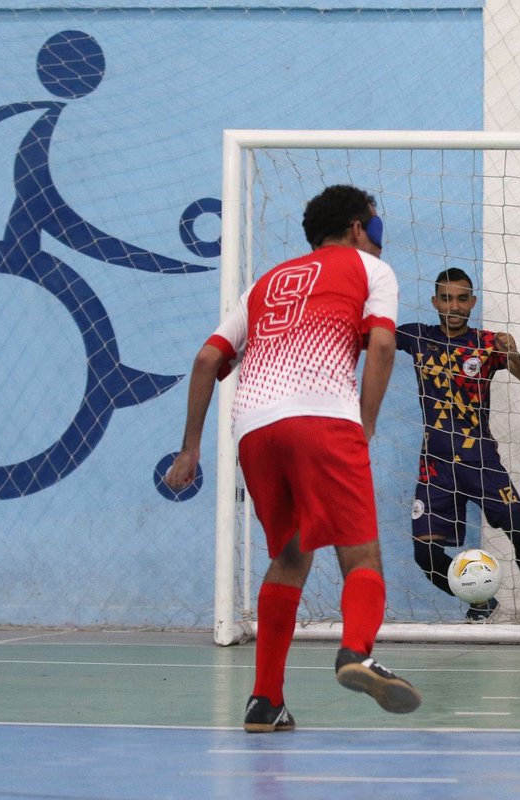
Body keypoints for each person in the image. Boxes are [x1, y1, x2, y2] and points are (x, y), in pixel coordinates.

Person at [164, 184, 421, 732]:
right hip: (323, 418)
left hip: (254, 430)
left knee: (290, 553)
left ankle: (265, 702)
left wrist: (190, 448)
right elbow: (380, 345)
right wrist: (365, 421)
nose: (379, 235)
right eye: (375, 225)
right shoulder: (372, 270)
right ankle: (356, 652)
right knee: (362, 557)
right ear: (358, 227)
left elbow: (209, 358)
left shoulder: (265, 283)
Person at [396, 267, 520, 623]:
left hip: (480, 459)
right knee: (425, 554)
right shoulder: (418, 337)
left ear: (473, 302)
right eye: (446, 298)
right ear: (435, 301)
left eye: (462, 298)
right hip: (435, 465)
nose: (454, 306)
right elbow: (373, 337)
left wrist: (512, 355)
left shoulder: (487, 343)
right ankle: (481, 599)